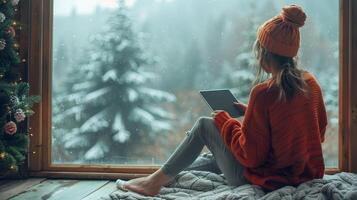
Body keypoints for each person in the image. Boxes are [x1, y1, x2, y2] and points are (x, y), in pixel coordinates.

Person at [116, 4, 327, 196]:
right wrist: (252, 114)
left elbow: (250, 156)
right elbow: (315, 131)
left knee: (205, 126)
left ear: (263, 53)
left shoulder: (264, 93)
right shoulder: (311, 83)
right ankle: (160, 176)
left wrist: (226, 123)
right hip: (304, 174)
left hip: (269, 180)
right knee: (214, 156)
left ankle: (153, 183)